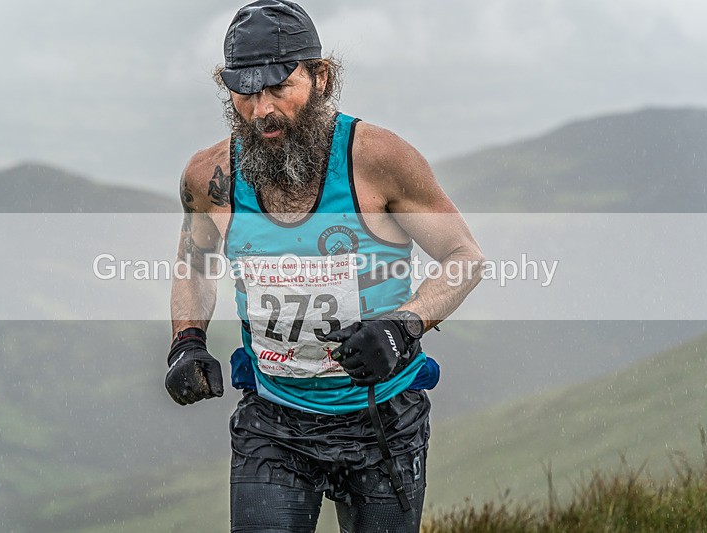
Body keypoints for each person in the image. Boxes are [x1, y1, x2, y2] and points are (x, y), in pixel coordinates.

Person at [165, 1, 484, 531]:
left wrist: (402, 327)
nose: (261, 109)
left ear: (321, 76)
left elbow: (465, 257)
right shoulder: (209, 175)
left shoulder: (378, 159)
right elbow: (195, 264)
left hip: (383, 421)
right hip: (272, 423)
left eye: (278, 88)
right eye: (244, 92)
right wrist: (186, 341)